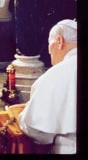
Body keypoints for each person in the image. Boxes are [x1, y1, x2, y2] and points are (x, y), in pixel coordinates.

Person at [18, 19, 77, 154]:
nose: (49, 53)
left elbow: (38, 131)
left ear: (59, 41)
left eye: (50, 45)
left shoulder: (56, 75)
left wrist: (21, 118)